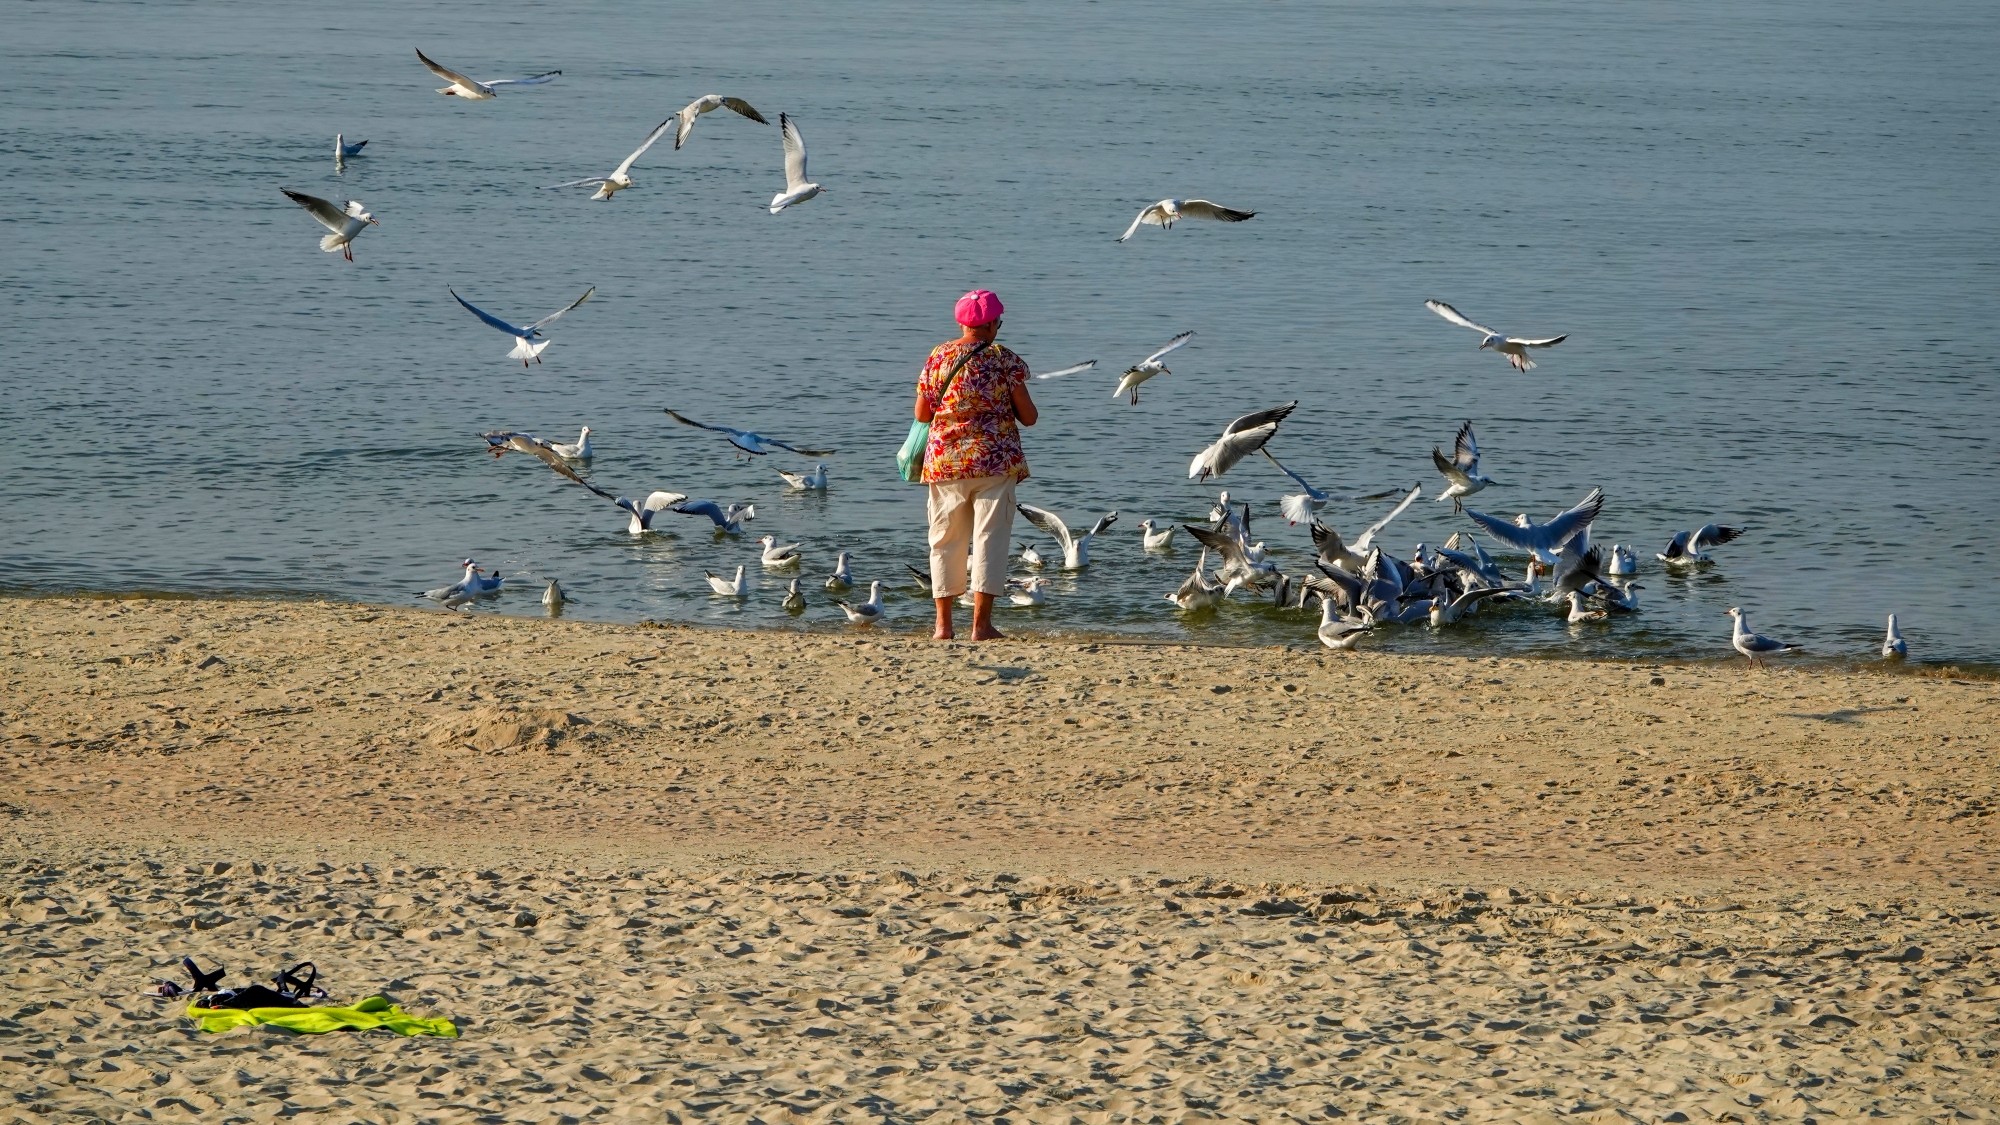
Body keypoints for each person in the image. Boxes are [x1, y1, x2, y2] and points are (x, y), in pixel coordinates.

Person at [914, 289, 1037, 641]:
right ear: (994, 323)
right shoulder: (1003, 359)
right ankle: (981, 627)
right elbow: (1029, 417)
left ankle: (943, 626)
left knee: (944, 539)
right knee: (990, 539)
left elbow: (922, 414)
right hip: (993, 460)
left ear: (961, 322)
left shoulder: (939, 356)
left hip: (945, 463)